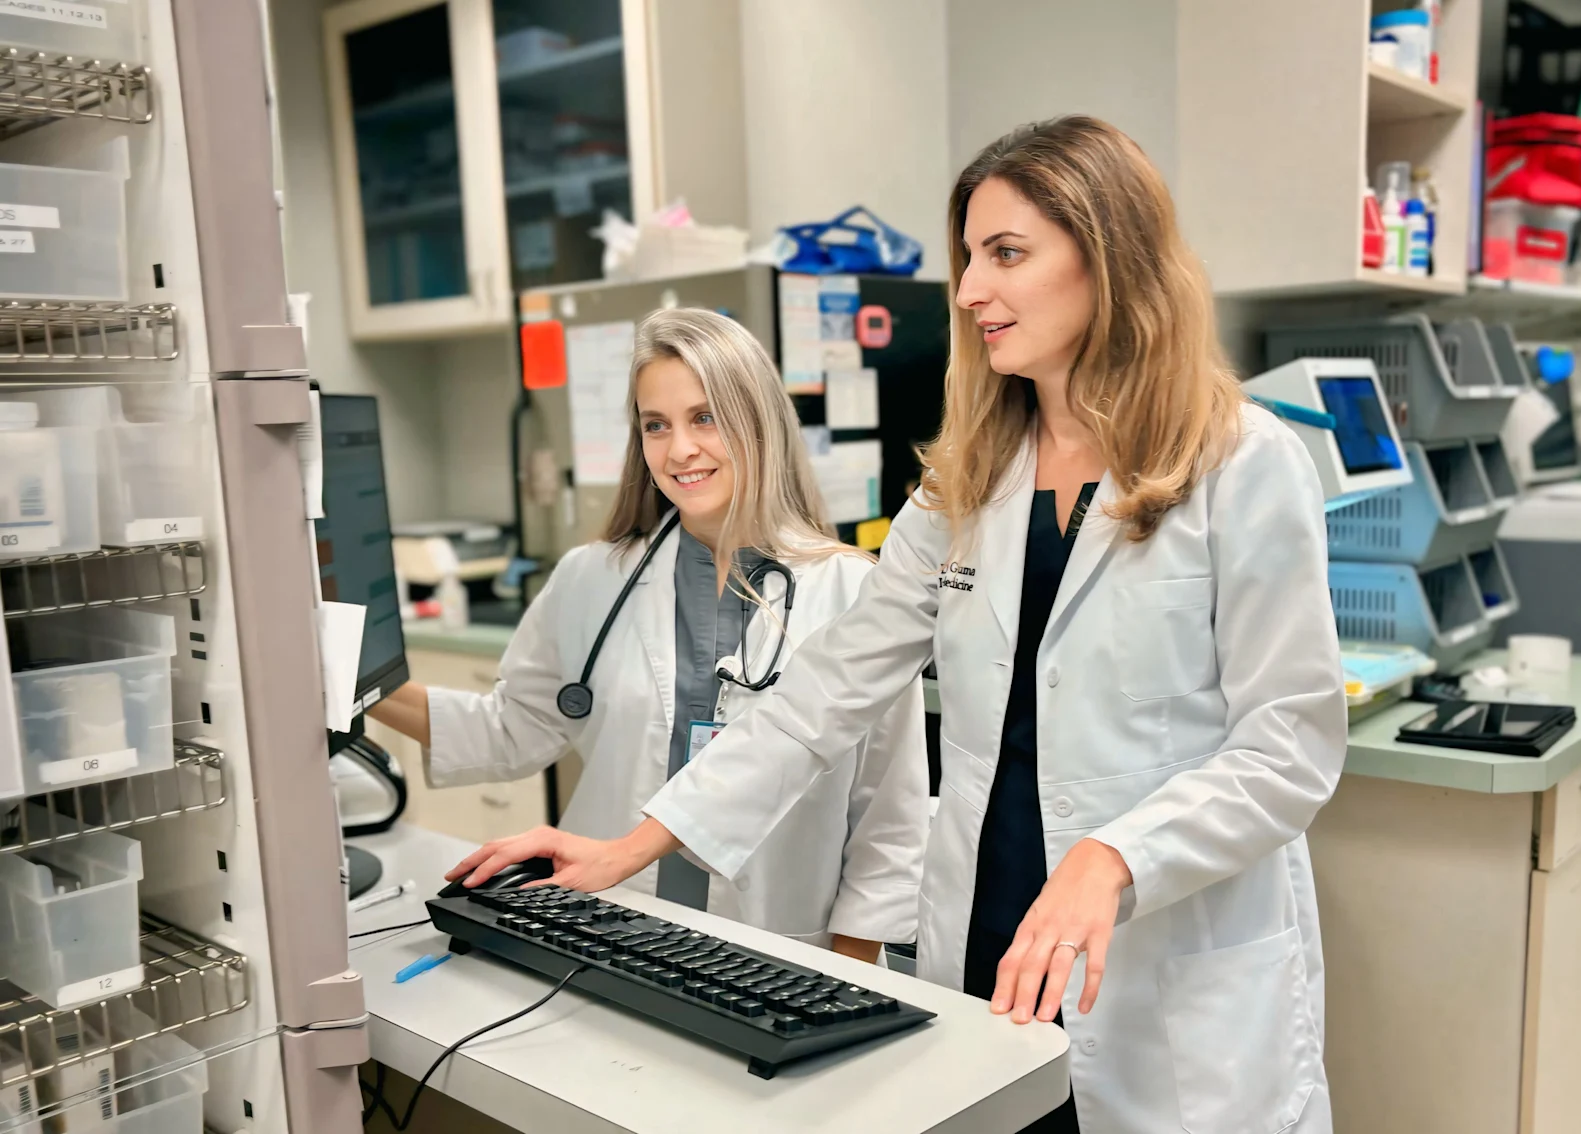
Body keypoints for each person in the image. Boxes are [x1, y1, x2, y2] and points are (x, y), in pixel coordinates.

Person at [451, 116, 1346, 1133]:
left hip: (1163, 948)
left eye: (1006, 254)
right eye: (970, 255)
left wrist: (1115, 857)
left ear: (1110, 258)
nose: (969, 291)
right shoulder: (964, 482)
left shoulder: (1242, 464)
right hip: (993, 925)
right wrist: (633, 844)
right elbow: (822, 697)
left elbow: (1289, 749)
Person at [376, 307, 929, 963]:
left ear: (760, 424)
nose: (679, 450)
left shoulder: (851, 591)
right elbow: (509, 731)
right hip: (605, 928)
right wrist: (355, 683)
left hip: (778, 949)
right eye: (655, 426)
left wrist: (853, 973)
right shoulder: (591, 578)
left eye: (706, 418)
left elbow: (888, 817)